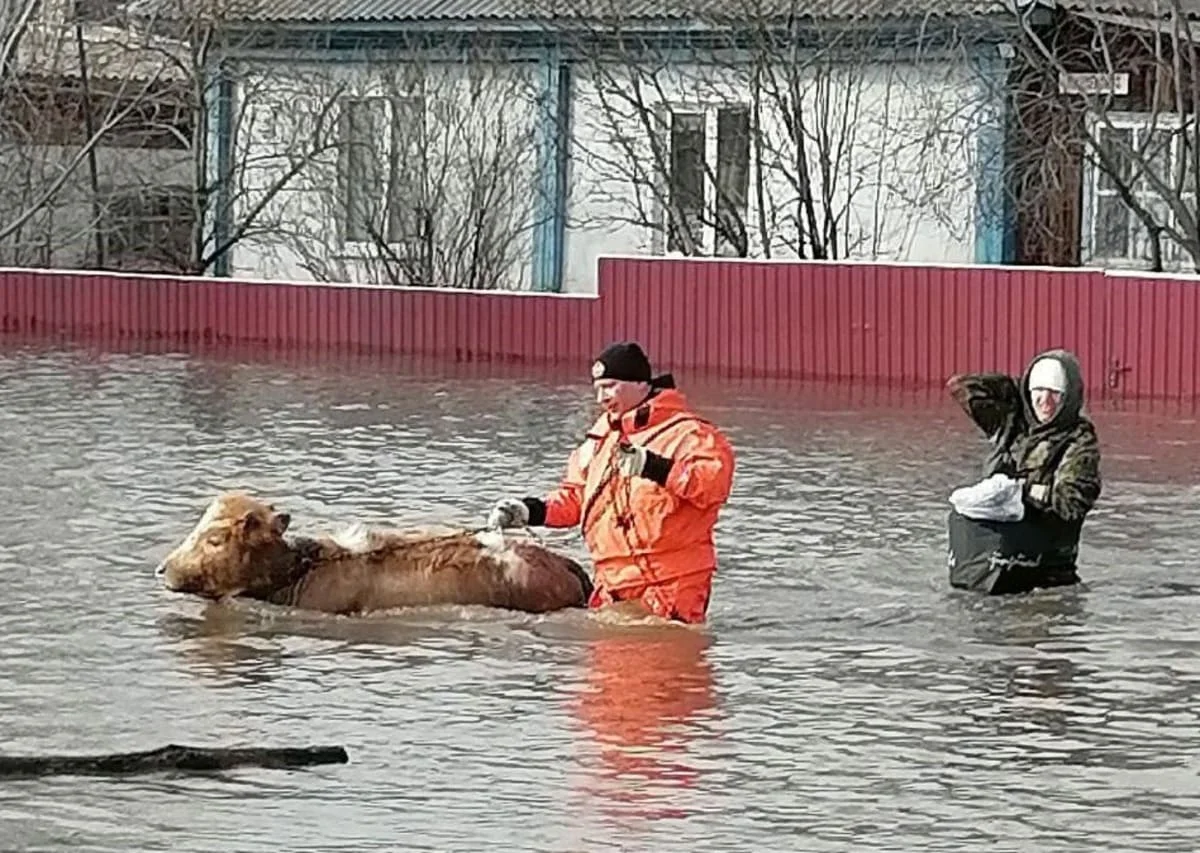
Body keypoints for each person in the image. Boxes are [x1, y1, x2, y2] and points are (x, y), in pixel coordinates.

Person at [487, 341, 736, 624]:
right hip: (611, 585)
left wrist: (655, 467)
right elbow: (576, 499)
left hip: (671, 584)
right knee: (605, 666)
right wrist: (528, 510)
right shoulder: (598, 442)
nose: (601, 398)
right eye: (596, 389)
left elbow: (712, 487)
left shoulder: (690, 434)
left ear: (640, 384)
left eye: (610, 386)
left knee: (666, 665)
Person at [944, 348, 1102, 594]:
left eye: (1055, 393)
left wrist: (1023, 491)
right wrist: (1017, 386)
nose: (1045, 401)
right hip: (994, 559)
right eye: (1038, 392)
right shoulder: (1011, 425)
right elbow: (962, 387)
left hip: (1046, 572)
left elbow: (1072, 502)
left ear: (1068, 398)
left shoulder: (1079, 442)